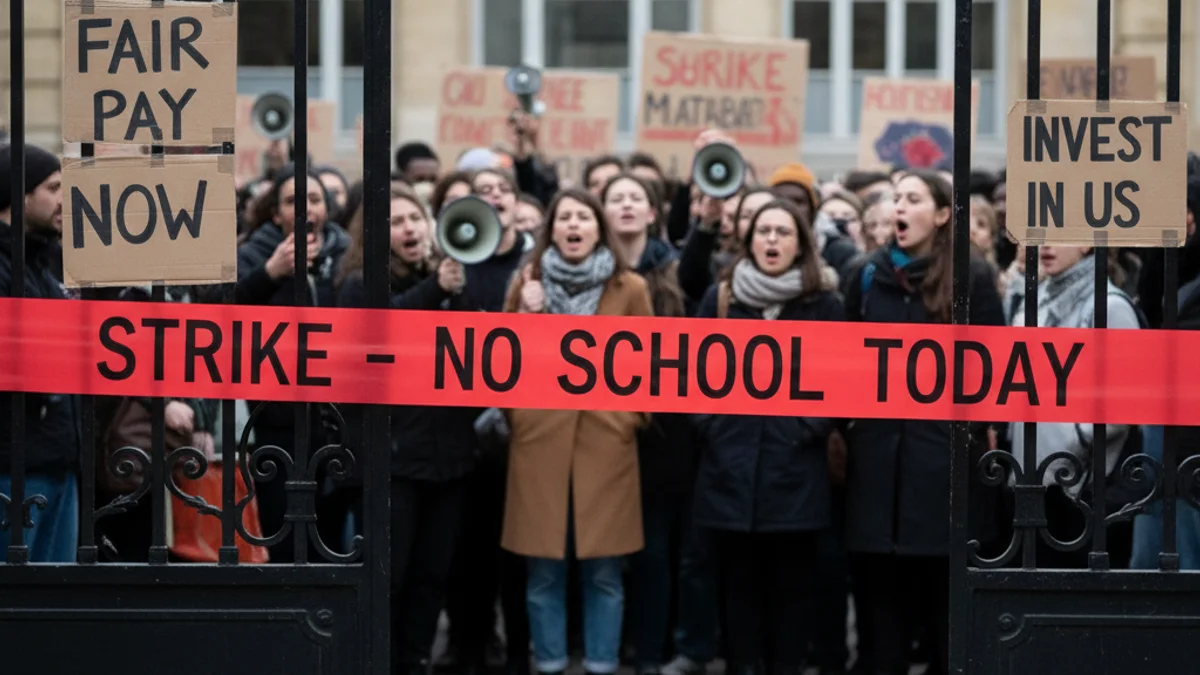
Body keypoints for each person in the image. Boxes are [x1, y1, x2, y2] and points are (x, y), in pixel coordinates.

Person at [840, 171, 1005, 675]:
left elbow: (993, 369)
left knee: (943, 617)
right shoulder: (865, 275)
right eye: (896, 198)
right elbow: (841, 363)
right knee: (882, 624)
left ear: (940, 215)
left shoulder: (972, 276)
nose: (899, 207)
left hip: (942, 470)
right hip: (877, 468)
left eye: (912, 198)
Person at [501, 187, 654, 675]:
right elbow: (501, 361)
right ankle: (549, 663)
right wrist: (526, 314)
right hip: (539, 442)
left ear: (598, 229)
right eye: (564, 217)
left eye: (583, 217)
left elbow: (648, 365)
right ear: (551, 230)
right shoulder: (526, 282)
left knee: (604, 571)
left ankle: (601, 664)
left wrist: (628, 419)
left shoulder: (630, 287)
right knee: (543, 570)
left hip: (605, 442)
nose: (573, 225)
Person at [693, 199, 843, 675]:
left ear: (801, 244)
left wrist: (802, 428)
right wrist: (714, 426)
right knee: (737, 595)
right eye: (764, 231)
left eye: (783, 232)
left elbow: (842, 383)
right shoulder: (721, 298)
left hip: (795, 474)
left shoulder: (824, 304)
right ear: (748, 239)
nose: (772, 240)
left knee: (792, 598)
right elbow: (692, 375)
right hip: (730, 471)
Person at [336, 185, 475, 675]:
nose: (409, 229)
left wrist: (454, 293)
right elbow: (378, 337)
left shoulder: (447, 279)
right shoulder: (359, 285)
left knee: (432, 576)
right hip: (394, 462)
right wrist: (436, 289)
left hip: (447, 458)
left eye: (415, 218)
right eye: (396, 222)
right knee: (390, 576)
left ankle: (415, 659)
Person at [601, 174, 705, 675]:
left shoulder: (675, 271)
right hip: (606, 430)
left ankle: (655, 651)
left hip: (666, 434)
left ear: (652, 213)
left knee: (660, 550)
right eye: (615, 198)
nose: (625, 205)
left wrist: (705, 223)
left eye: (635, 198)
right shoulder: (589, 272)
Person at [235, 162, 350, 563]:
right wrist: (271, 273)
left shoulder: (346, 255)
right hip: (277, 418)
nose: (305, 210)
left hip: (334, 419)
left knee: (330, 535)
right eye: (292, 202)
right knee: (282, 531)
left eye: (314, 199)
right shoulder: (253, 254)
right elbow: (220, 313)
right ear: (275, 214)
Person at [1009, 243, 1144, 569]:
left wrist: (1074, 441)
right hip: (1034, 480)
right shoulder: (1036, 299)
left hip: (1081, 486)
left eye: (1060, 234)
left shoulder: (1110, 306)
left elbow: (1124, 403)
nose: (1046, 244)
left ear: (1086, 243)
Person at [0, 143, 80, 563]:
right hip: (14, 469)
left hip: (57, 459)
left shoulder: (44, 263)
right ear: (18, 197)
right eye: (52, 187)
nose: (64, 199)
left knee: (56, 592)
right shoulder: (9, 268)